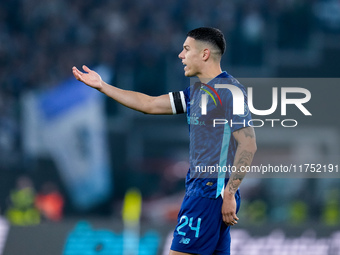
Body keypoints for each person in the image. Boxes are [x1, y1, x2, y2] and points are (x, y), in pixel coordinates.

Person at [72, 27, 257, 255]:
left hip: (209, 194)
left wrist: (229, 193)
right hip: (206, 192)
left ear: (205, 54)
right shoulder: (196, 93)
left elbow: (248, 144)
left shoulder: (229, 92)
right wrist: (103, 86)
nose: (181, 55)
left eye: (186, 49)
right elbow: (149, 104)